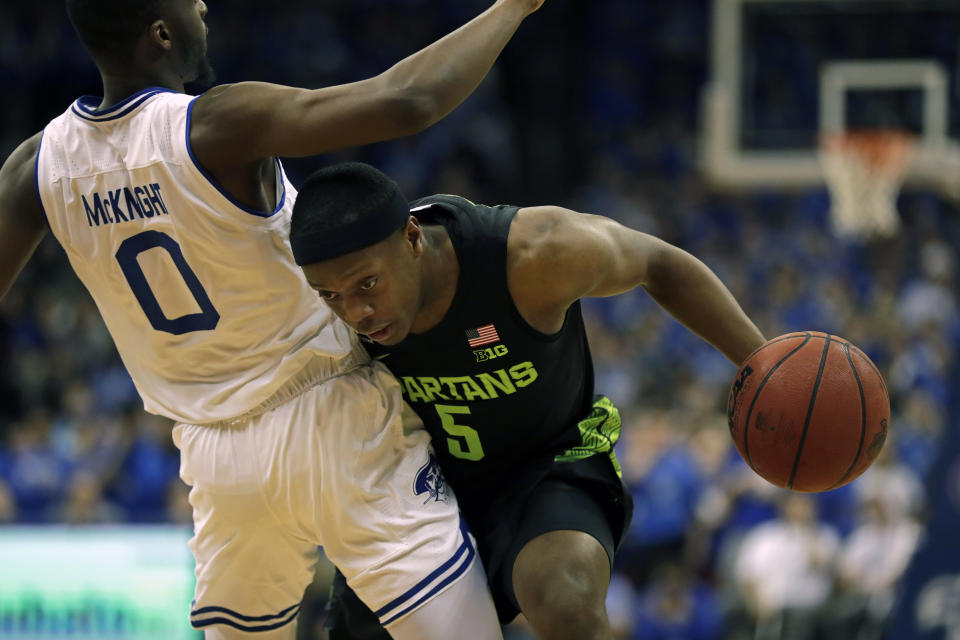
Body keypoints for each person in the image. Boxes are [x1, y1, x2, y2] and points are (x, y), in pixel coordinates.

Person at [0, 0, 551, 638]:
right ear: (161, 32)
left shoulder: (36, 166)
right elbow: (409, 100)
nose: (203, 5)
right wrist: (514, 5)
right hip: (331, 420)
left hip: (215, 458)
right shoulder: (216, 125)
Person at [289, 162, 766, 640]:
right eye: (332, 295)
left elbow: (657, 263)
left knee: (566, 602)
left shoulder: (533, 253)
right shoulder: (312, 313)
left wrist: (762, 365)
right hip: (414, 484)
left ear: (412, 238)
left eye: (368, 284)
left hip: (545, 468)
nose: (356, 312)